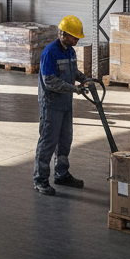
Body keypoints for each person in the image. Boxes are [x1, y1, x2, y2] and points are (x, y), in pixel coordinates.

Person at [34, 15, 88, 196]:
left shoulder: (70, 51)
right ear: (63, 35)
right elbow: (49, 81)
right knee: (48, 142)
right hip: (51, 104)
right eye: (74, 37)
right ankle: (40, 180)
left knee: (65, 141)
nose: (77, 40)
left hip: (65, 103)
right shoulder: (50, 52)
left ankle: (61, 174)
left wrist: (83, 78)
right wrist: (74, 88)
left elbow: (73, 70)